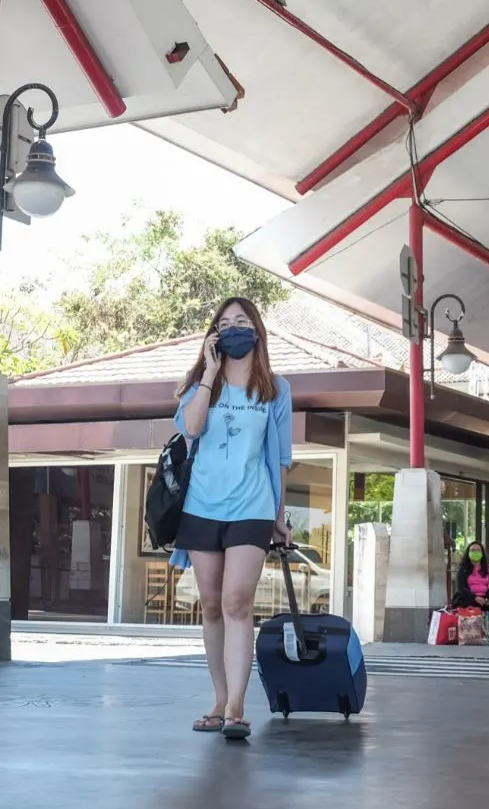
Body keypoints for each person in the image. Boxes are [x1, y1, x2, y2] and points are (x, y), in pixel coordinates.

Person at [169, 297, 292, 739]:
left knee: (238, 601)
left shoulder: (275, 388)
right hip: (202, 505)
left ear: (257, 329)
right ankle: (218, 698)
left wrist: (279, 516)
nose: (234, 328)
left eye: (242, 321)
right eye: (224, 324)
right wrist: (208, 373)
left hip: (251, 507)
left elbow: (280, 459)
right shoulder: (198, 384)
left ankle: (238, 706)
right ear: (213, 335)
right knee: (212, 604)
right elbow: (192, 428)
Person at [452, 542, 489, 643]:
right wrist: (475, 597)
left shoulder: (488, 570)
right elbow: (461, 588)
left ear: (482, 553)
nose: (475, 553)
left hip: (483, 598)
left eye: (478, 550)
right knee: (468, 602)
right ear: (468, 553)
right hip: (467, 599)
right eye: (472, 550)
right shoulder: (463, 569)